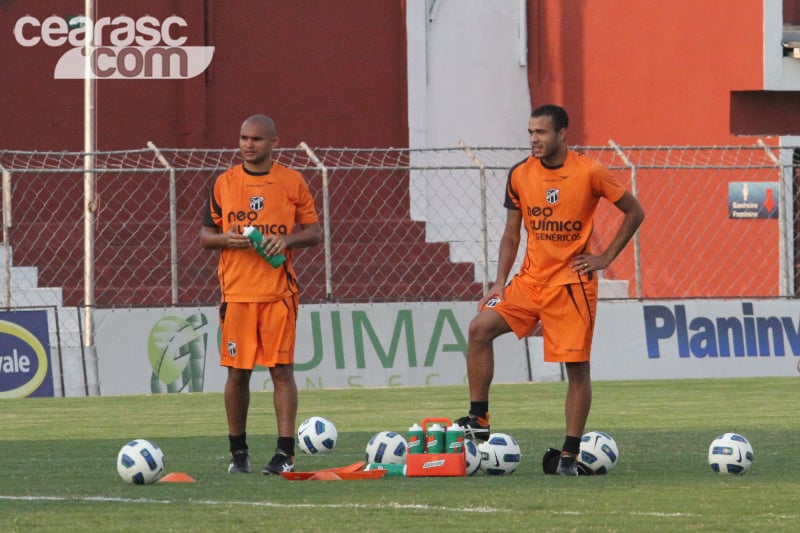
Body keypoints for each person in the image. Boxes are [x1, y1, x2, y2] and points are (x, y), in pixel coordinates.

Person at [455, 104, 645, 476]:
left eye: (541, 132)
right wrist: (499, 281)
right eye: (530, 132)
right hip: (528, 282)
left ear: (562, 134)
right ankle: (479, 417)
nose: (534, 140)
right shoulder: (521, 174)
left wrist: (604, 257)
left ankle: (570, 455)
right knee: (480, 329)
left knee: (576, 369)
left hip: (571, 286)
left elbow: (634, 211)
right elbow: (512, 233)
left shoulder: (589, 171)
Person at [200, 114, 322, 474]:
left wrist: (285, 239)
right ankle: (238, 453)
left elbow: (314, 233)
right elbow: (206, 237)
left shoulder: (291, 181)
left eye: (256, 139)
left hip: (278, 293)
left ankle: (285, 453)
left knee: (281, 371)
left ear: (274, 142)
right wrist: (227, 239)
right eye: (243, 138)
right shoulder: (224, 183)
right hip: (236, 294)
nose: (248, 144)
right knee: (238, 374)